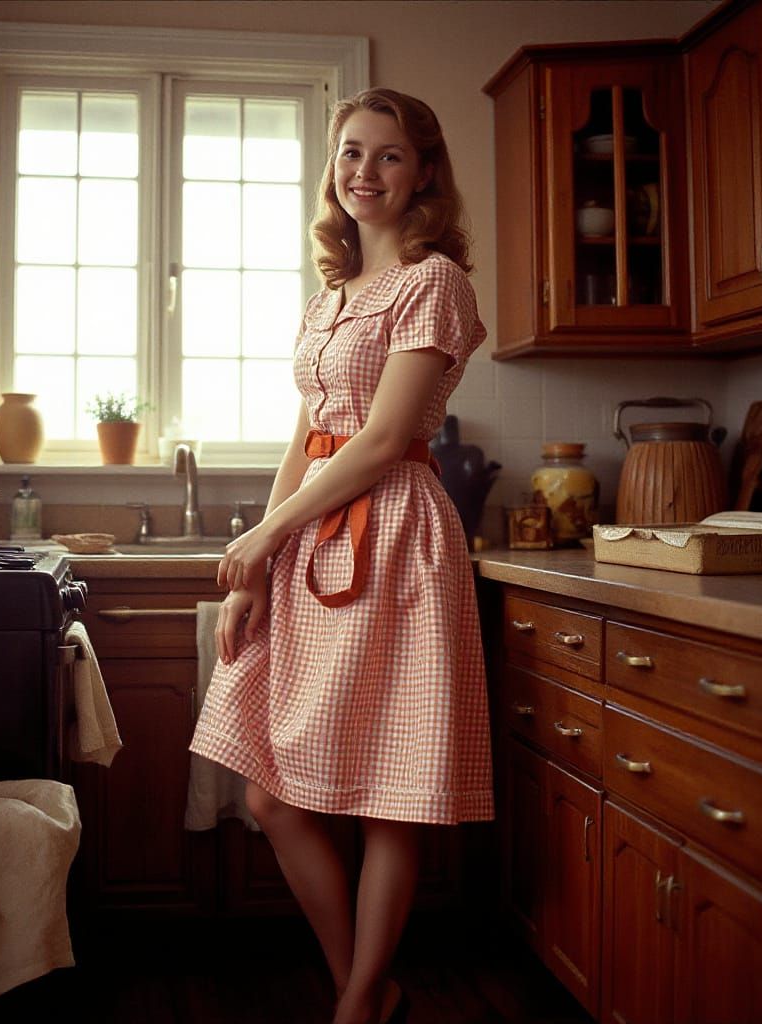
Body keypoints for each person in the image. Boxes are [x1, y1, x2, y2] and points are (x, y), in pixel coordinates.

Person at [188, 87, 495, 1024]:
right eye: (351, 153)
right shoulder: (331, 299)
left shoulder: (433, 281)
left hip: (395, 535)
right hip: (313, 536)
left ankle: (358, 1000)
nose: (365, 171)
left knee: (385, 796)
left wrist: (266, 534)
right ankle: (366, 985)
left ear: (425, 174)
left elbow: (381, 438)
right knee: (271, 797)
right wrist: (257, 567)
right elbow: (309, 438)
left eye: (390, 156)